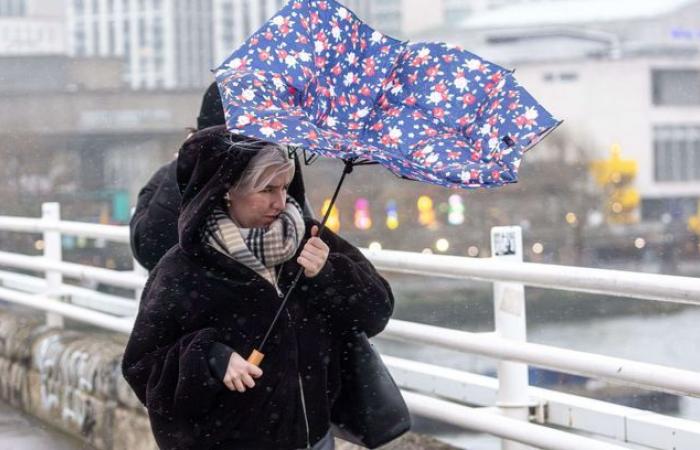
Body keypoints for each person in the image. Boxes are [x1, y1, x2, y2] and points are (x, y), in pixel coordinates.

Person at [121, 125, 395, 450]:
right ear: (228, 190)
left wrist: (328, 273)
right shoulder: (183, 268)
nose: (280, 202)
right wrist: (210, 357)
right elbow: (142, 365)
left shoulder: (311, 240)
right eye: (266, 190)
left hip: (316, 439)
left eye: (285, 187)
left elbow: (377, 312)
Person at [130, 82, 312, 271]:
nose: (280, 203)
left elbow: (149, 247)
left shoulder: (279, 170)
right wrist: (187, 167)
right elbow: (151, 249)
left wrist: (321, 269)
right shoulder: (177, 175)